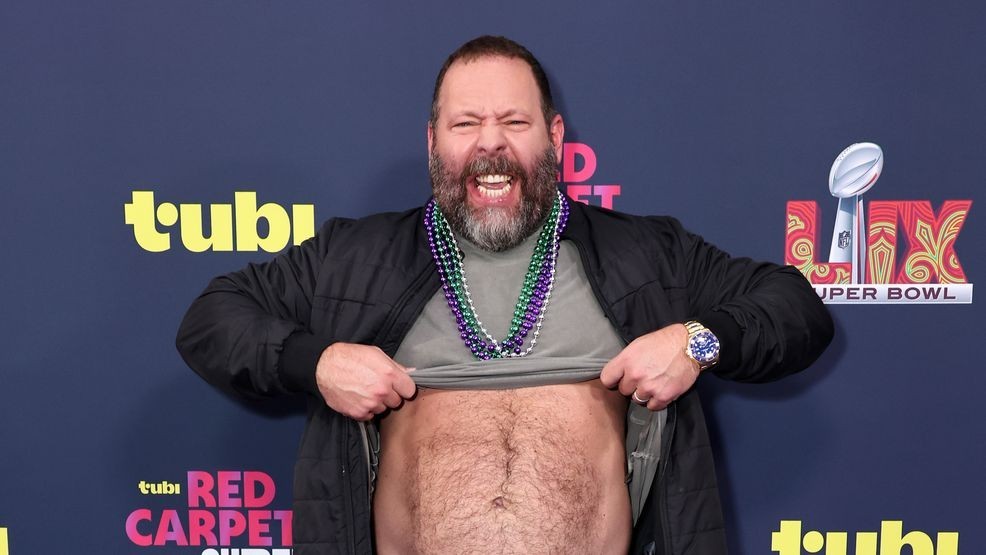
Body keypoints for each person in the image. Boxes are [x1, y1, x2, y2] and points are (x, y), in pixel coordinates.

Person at [177, 35, 833, 555]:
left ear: (555, 137)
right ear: (433, 141)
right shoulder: (355, 255)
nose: (490, 143)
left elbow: (795, 306)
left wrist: (696, 341)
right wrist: (317, 363)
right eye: (465, 123)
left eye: (514, 121)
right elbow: (211, 320)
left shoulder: (646, 253)